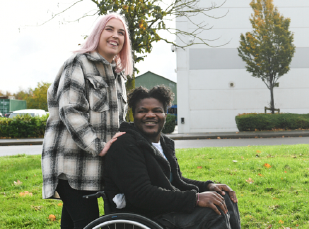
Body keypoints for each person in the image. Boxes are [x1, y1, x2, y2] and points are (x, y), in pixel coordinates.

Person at [102, 86, 241, 229]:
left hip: (164, 211)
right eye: (142, 111)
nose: (150, 115)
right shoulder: (125, 145)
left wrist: (208, 186)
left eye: (157, 111)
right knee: (213, 213)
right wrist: (196, 198)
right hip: (143, 217)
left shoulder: (164, 143)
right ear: (133, 115)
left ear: (165, 115)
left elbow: (176, 180)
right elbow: (141, 194)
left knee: (224, 198)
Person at [41, 13, 132, 229]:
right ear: (97, 33)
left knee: (74, 224)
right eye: (109, 29)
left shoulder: (118, 75)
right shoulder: (77, 63)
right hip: (73, 166)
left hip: (97, 168)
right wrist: (99, 147)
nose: (115, 36)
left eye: (121, 33)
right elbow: (70, 111)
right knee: (89, 224)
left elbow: (119, 120)